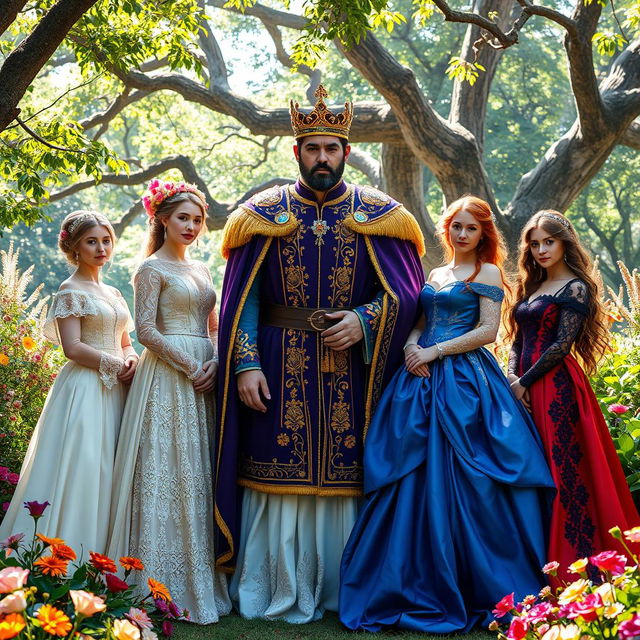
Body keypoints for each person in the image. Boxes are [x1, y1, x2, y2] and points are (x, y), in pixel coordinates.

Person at [215, 85, 425, 622]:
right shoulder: (261, 213)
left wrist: (364, 320)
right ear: (297, 153)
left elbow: (407, 294)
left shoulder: (382, 215)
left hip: (352, 369)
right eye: (313, 149)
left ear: (347, 152)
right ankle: (274, 584)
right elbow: (246, 299)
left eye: (332, 149)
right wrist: (244, 363)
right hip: (276, 364)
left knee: (348, 471)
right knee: (273, 468)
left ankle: (343, 587)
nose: (323, 158)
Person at [339, 196, 555, 633]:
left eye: (471, 228)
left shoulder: (488, 272)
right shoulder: (434, 274)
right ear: (446, 228)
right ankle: (409, 580)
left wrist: (435, 351)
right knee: (410, 470)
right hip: (419, 376)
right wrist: (412, 346)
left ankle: (481, 581)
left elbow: (487, 331)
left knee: (476, 476)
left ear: (483, 234)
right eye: (456, 226)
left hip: (466, 382)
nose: (461, 234)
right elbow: (422, 318)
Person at [107, 180, 231, 623]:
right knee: (168, 469)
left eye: (198, 220)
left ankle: (200, 576)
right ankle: (155, 580)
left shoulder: (201, 269)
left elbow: (215, 326)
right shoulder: (150, 268)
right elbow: (145, 331)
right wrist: (188, 365)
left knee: (197, 472)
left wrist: (214, 362)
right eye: (184, 218)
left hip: (204, 373)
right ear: (162, 219)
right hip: (167, 375)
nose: (193, 226)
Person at [507, 210, 639, 584]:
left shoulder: (575, 288)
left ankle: (578, 564)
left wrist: (524, 383)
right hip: (524, 385)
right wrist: (512, 375)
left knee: (565, 473)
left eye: (549, 241)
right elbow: (519, 339)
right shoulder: (532, 287)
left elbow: (561, 347)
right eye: (534, 244)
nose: (541, 249)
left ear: (565, 242)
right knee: (530, 469)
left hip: (557, 388)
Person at [0, 210, 137, 553]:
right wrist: (114, 364)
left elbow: (125, 340)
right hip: (86, 388)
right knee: (85, 464)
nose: (101, 248)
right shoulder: (69, 290)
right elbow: (72, 348)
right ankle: (61, 552)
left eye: (105, 241)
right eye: (92, 242)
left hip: (118, 387)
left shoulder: (114, 291)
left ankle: (103, 555)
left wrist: (131, 358)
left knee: (111, 468)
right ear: (74, 248)